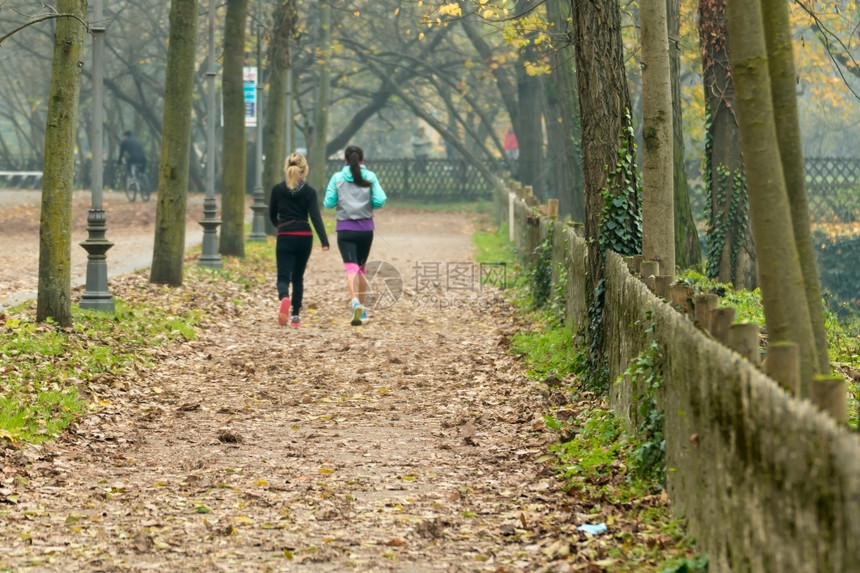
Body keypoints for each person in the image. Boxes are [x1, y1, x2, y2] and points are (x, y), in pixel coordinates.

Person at [324, 145, 387, 326]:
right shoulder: (370, 177)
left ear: (345, 159)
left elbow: (328, 203)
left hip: (345, 230)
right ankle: (363, 312)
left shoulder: (337, 178)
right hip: (366, 230)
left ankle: (354, 303)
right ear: (362, 158)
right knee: (361, 269)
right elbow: (380, 200)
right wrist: (368, 204)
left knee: (351, 269)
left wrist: (341, 200)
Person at [269, 152, 330, 328]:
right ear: (304, 170)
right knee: (298, 277)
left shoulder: (277, 190)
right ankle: (295, 316)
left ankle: (284, 297)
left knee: (283, 276)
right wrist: (324, 241)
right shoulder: (309, 192)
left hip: (285, 235)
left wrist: (280, 226)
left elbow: (272, 215)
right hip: (305, 236)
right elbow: (315, 217)